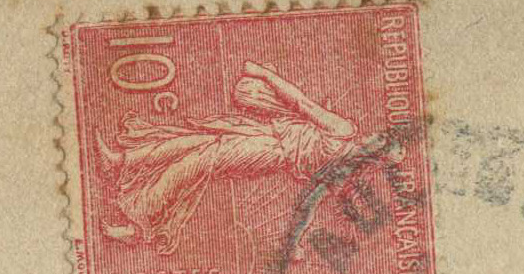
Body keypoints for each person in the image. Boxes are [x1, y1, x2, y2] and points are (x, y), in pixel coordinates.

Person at [95, 61, 404, 255]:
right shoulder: (344, 167)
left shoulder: (343, 134)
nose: (373, 137)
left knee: (198, 160)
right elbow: (308, 206)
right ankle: (122, 162)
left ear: (374, 152)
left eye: (379, 143)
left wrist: (265, 73)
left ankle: (139, 223)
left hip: (268, 151)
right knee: (198, 139)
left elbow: (301, 102)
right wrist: (293, 244)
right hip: (266, 133)